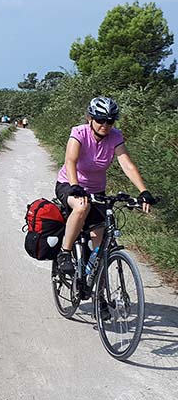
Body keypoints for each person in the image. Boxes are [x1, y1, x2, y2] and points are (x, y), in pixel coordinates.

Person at [55, 96, 155, 275]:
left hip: (97, 190)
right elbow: (70, 161)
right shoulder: (79, 133)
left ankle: (97, 288)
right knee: (81, 207)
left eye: (110, 121)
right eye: (100, 119)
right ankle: (65, 253)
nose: (105, 125)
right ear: (90, 118)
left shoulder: (115, 136)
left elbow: (127, 164)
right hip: (69, 184)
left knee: (98, 238)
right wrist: (75, 185)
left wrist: (143, 191)